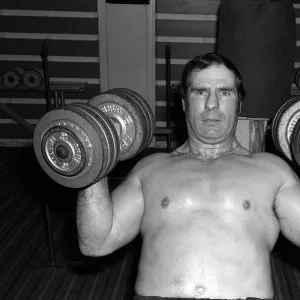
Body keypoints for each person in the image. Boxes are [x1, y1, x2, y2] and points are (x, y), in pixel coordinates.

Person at [76, 53, 300, 300]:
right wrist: (95, 155)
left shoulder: (271, 170)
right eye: (200, 92)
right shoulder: (150, 168)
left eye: (225, 92)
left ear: (240, 104)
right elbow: (96, 242)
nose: (212, 104)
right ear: (184, 102)